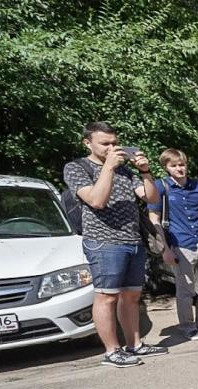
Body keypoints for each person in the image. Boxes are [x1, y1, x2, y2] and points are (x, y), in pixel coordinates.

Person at [63, 121, 169, 367]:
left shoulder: (125, 170)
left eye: (114, 143)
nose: (112, 148)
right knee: (107, 297)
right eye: (105, 144)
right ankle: (112, 351)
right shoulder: (76, 167)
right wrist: (108, 168)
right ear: (87, 143)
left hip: (132, 239)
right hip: (103, 241)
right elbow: (96, 200)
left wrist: (145, 171)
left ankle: (135, 345)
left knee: (131, 297)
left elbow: (151, 197)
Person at [149, 148, 198, 341]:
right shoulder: (161, 187)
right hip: (180, 244)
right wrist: (165, 249)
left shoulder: (197, 187)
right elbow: (154, 218)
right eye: (174, 165)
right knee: (186, 288)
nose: (179, 168)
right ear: (166, 167)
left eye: (182, 164)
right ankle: (187, 326)